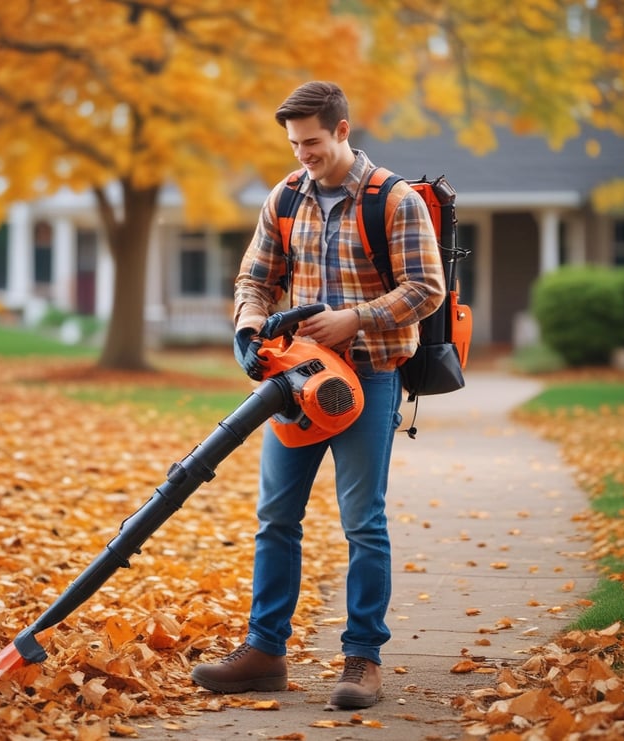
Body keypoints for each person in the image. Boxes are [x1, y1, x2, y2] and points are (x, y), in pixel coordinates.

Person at [191, 81, 445, 709]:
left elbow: (427, 287)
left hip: (372, 375)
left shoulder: (394, 201)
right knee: (276, 518)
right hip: (299, 381)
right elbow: (255, 276)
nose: (303, 153)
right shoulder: (285, 196)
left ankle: (362, 661)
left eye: (312, 141)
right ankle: (264, 652)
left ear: (342, 130)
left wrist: (355, 318)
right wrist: (249, 330)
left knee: (363, 523)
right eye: (294, 143)